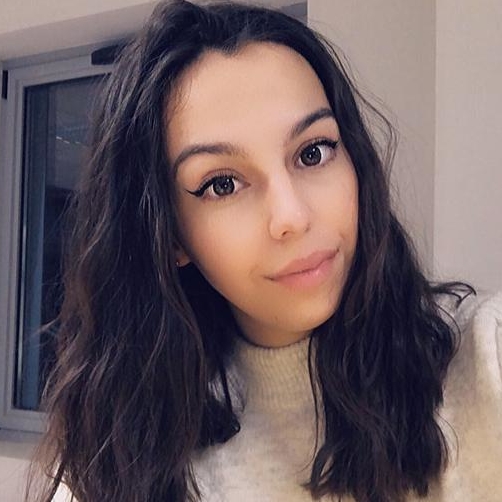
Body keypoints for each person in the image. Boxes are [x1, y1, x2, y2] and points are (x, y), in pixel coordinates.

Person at [29, 1, 502, 501]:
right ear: (171, 237)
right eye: (223, 184)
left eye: (313, 152)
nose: (291, 216)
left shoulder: (484, 360)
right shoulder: (119, 453)